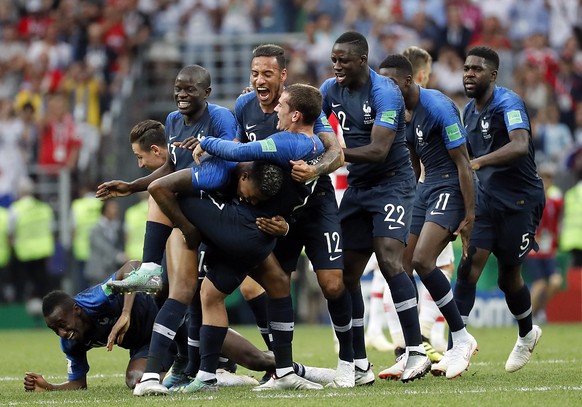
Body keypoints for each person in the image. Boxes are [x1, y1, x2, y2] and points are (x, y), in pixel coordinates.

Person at [147, 83, 327, 393]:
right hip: (262, 235)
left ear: (296, 114)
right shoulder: (315, 148)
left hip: (241, 227)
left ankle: (150, 266)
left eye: (282, 106)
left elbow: (239, 151)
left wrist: (205, 141)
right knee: (226, 293)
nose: (277, 110)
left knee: (173, 192)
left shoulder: (289, 142)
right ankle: (277, 371)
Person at [233, 44, 357, 389]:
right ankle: (280, 365)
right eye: (255, 73)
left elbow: (336, 153)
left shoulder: (304, 103)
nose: (259, 80)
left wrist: (315, 170)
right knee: (253, 286)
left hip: (315, 208)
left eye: (267, 74)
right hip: (275, 215)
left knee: (332, 284)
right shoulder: (243, 106)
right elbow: (239, 159)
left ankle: (348, 362)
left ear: (282, 76)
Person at [319, 31, 430, 383]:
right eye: (334, 59)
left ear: (362, 61)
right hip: (359, 186)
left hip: (394, 183)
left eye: (343, 60)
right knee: (345, 275)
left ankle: (415, 351)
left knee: (388, 258)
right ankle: (358, 362)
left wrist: (333, 155)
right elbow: (308, 119)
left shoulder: (385, 92)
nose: (336, 65)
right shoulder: (328, 90)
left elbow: (379, 149)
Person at [433, 46, 545, 376]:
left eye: (476, 70)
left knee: (509, 278)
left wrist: (480, 161)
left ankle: (527, 333)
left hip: (520, 202)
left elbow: (520, 144)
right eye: (466, 68)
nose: (468, 74)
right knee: (468, 268)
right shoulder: (467, 111)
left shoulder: (508, 103)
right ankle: (457, 347)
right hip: (485, 200)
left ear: (492, 75)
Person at [22, 261, 287, 392]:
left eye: (61, 324)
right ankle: (217, 371)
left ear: (76, 309)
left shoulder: (93, 298)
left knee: (258, 360)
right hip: (149, 346)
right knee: (136, 382)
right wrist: (50, 387)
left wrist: (125, 312)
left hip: (173, 318)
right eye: (53, 329)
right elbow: (78, 383)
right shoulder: (70, 342)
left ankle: (292, 368)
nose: (61, 332)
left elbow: (132, 267)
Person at [377, 54, 477, 380]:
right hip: (425, 187)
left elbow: (463, 163)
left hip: (451, 184)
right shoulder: (400, 113)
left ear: (409, 81)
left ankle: (461, 338)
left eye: (390, 82)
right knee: (399, 265)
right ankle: (413, 351)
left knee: (423, 260)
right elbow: (413, 161)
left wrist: (471, 214)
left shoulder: (438, 107)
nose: (384, 89)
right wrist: (407, 199)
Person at [523, 162, 563, 323]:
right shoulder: (530, 200)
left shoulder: (555, 202)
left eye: (549, 179)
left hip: (548, 249)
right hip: (534, 249)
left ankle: (539, 310)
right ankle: (527, 318)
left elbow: (555, 224)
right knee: (539, 284)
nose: (547, 182)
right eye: (544, 178)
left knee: (555, 282)